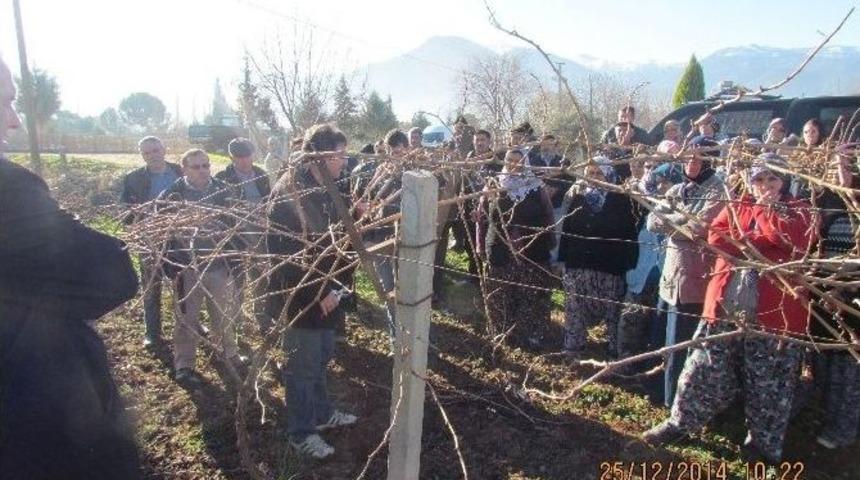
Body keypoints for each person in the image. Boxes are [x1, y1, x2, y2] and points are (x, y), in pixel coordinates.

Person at [0, 56, 142, 480]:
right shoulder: (8, 189)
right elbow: (113, 273)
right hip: (38, 428)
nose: (13, 123)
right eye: (5, 103)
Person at [644, 154, 815, 464]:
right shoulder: (737, 205)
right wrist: (763, 242)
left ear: (784, 180)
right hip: (724, 310)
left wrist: (762, 220)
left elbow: (791, 239)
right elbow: (716, 237)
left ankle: (762, 447)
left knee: (769, 385)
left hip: (773, 320)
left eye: (772, 179)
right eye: (759, 179)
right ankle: (680, 424)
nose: (765, 186)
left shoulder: (801, 210)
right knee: (699, 371)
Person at [267, 123, 357, 459]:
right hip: (301, 300)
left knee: (321, 358)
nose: (344, 162)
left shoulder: (327, 188)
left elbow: (335, 246)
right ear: (317, 157)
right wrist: (318, 295)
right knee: (301, 368)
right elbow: (287, 260)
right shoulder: (290, 195)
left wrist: (337, 289)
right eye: (338, 155)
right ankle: (301, 432)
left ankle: (321, 414)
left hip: (328, 293)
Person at [646, 135, 726, 406]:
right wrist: (680, 223)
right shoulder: (678, 189)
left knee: (683, 345)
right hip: (669, 279)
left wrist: (675, 221)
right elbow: (652, 220)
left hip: (694, 281)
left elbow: (700, 229)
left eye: (699, 157)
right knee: (663, 341)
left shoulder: (718, 191)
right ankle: (660, 394)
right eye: (689, 156)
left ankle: (678, 404)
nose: (692, 162)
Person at [157, 149, 247, 384]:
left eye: (206, 165)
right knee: (186, 319)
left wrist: (234, 261)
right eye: (196, 166)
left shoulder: (224, 191)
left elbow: (235, 229)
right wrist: (170, 267)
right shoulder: (171, 196)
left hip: (218, 266)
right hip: (186, 268)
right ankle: (185, 364)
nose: (203, 170)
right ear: (184, 168)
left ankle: (229, 353)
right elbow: (162, 236)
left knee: (223, 314)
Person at [557, 159, 639, 357]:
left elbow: (629, 234)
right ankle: (573, 347)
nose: (593, 178)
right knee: (574, 308)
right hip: (577, 263)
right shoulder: (578, 198)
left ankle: (613, 350)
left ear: (609, 175)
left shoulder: (622, 200)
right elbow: (567, 230)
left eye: (598, 173)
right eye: (589, 173)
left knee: (612, 311)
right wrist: (562, 259)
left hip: (609, 266)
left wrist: (628, 264)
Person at [809, 144, 860, 450]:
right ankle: (825, 417)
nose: (840, 175)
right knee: (823, 360)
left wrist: (842, 289)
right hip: (821, 293)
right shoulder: (827, 207)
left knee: (847, 367)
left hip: (850, 301)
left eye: (846, 168)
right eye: (835, 169)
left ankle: (843, 428)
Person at [478, 149, 555, 350]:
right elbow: (481, 218)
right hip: (500, 249)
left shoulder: (536, 187)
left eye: (518, 160)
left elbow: (549, 217)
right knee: (500, 295)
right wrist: (480, 244)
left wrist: (549, 242)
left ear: (525, 163)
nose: (513, 164)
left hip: (532, 252)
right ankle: (503, 334)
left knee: (531, 296)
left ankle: (530, 336)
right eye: (509, 160)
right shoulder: (494, 185)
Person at [120, 135, 182, 347]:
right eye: (147, 152)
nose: (152, 155)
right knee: (151, 285)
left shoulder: (179, 171)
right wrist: (135, 219)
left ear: (164, 149)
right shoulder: (133, 178)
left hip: (180, 238)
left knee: (182, 285)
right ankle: (152, 332)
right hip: (150, 239)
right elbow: (126, 210)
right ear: (142, 155)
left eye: (155, 150)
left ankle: (186, 325)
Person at [215, 137, 272, 332]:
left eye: (247, 156)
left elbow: (269, 200)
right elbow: (219, 209)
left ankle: (261, 314)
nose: (244, 161)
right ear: (231, 157)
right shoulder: (222, 178)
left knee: (261, 275)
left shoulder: (262, 175)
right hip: (235, 236)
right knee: (236, 277)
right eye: (238, 157)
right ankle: (235, 319)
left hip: (261, 233)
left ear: (252, 155)